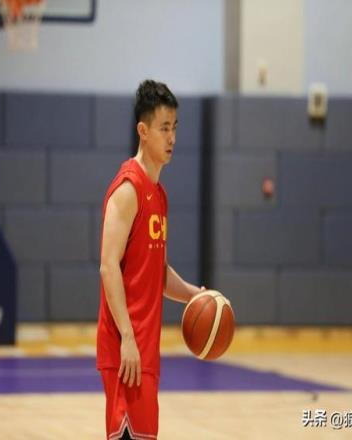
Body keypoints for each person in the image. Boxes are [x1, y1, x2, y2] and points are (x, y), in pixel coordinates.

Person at [96, 79, 204, 440]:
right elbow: (108, 266)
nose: (172, 138)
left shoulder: (159, 194)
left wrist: (195, 295)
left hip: (145, 350)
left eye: (175, 128)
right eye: (164, 128)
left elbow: (158, 271)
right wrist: (127, 337)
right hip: (126, 350)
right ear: (143, 131)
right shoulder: (128, 189)